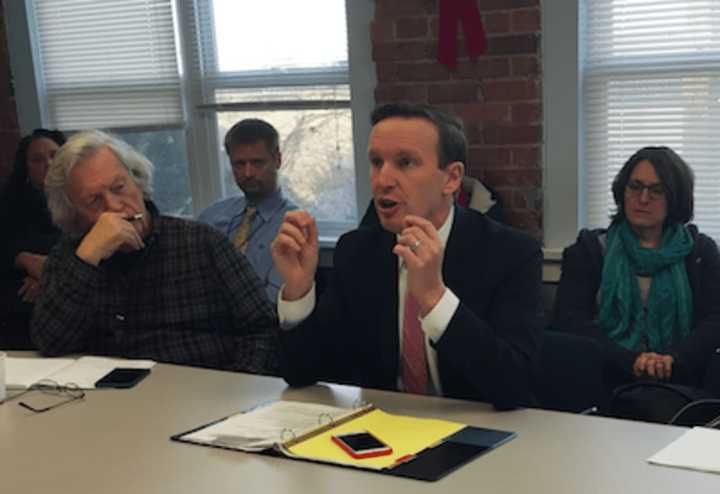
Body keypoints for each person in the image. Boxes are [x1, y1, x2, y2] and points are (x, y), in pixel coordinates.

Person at [271, 103, 543, 409]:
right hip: (384, 436)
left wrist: (435, 298)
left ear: (451, 178)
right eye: (376, 162)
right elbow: (301, 373)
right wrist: (298, 291)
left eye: (405, 163)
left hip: (478, 437)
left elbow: (516, 387)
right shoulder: (358, 251)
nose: (383, 179)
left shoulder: (511, 252)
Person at [31, 130, 279, 374]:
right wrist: (86, 260)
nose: (114, 206)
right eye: (94, 201)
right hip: (107, 402)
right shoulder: (72, 256)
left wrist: (239, 385)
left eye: (119, 188)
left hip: (199, 392)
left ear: (137, 182)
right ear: (73, 214)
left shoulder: (202, 242)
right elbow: (49, 343)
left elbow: (262, 329)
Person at [553, 146, 720, 395]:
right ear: (622, 190)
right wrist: (631, 360)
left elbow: (714, 322)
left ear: (676, 197)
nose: (643, 199)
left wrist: (672, 359)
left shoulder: (699, 252)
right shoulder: (589, 251)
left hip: (683, 384)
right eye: (635, 187)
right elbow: (570, 322)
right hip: (602, 381)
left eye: (657, 190)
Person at [198, 119, 297, 302]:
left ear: (278, 160)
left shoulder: (293, 225)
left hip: (257, 324)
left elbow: (275, 301)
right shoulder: (211, 216)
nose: (248, 173)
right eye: (239, 164)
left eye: (257, 163)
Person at [0, 128, 66, 348]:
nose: (48, 164)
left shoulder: (85, 200)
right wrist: (23, 258)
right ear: (26, 169)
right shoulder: (9, 204)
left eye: (54, 155)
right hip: (19, 302)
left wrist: (46, 276)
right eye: (37, 159)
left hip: (71, 292)